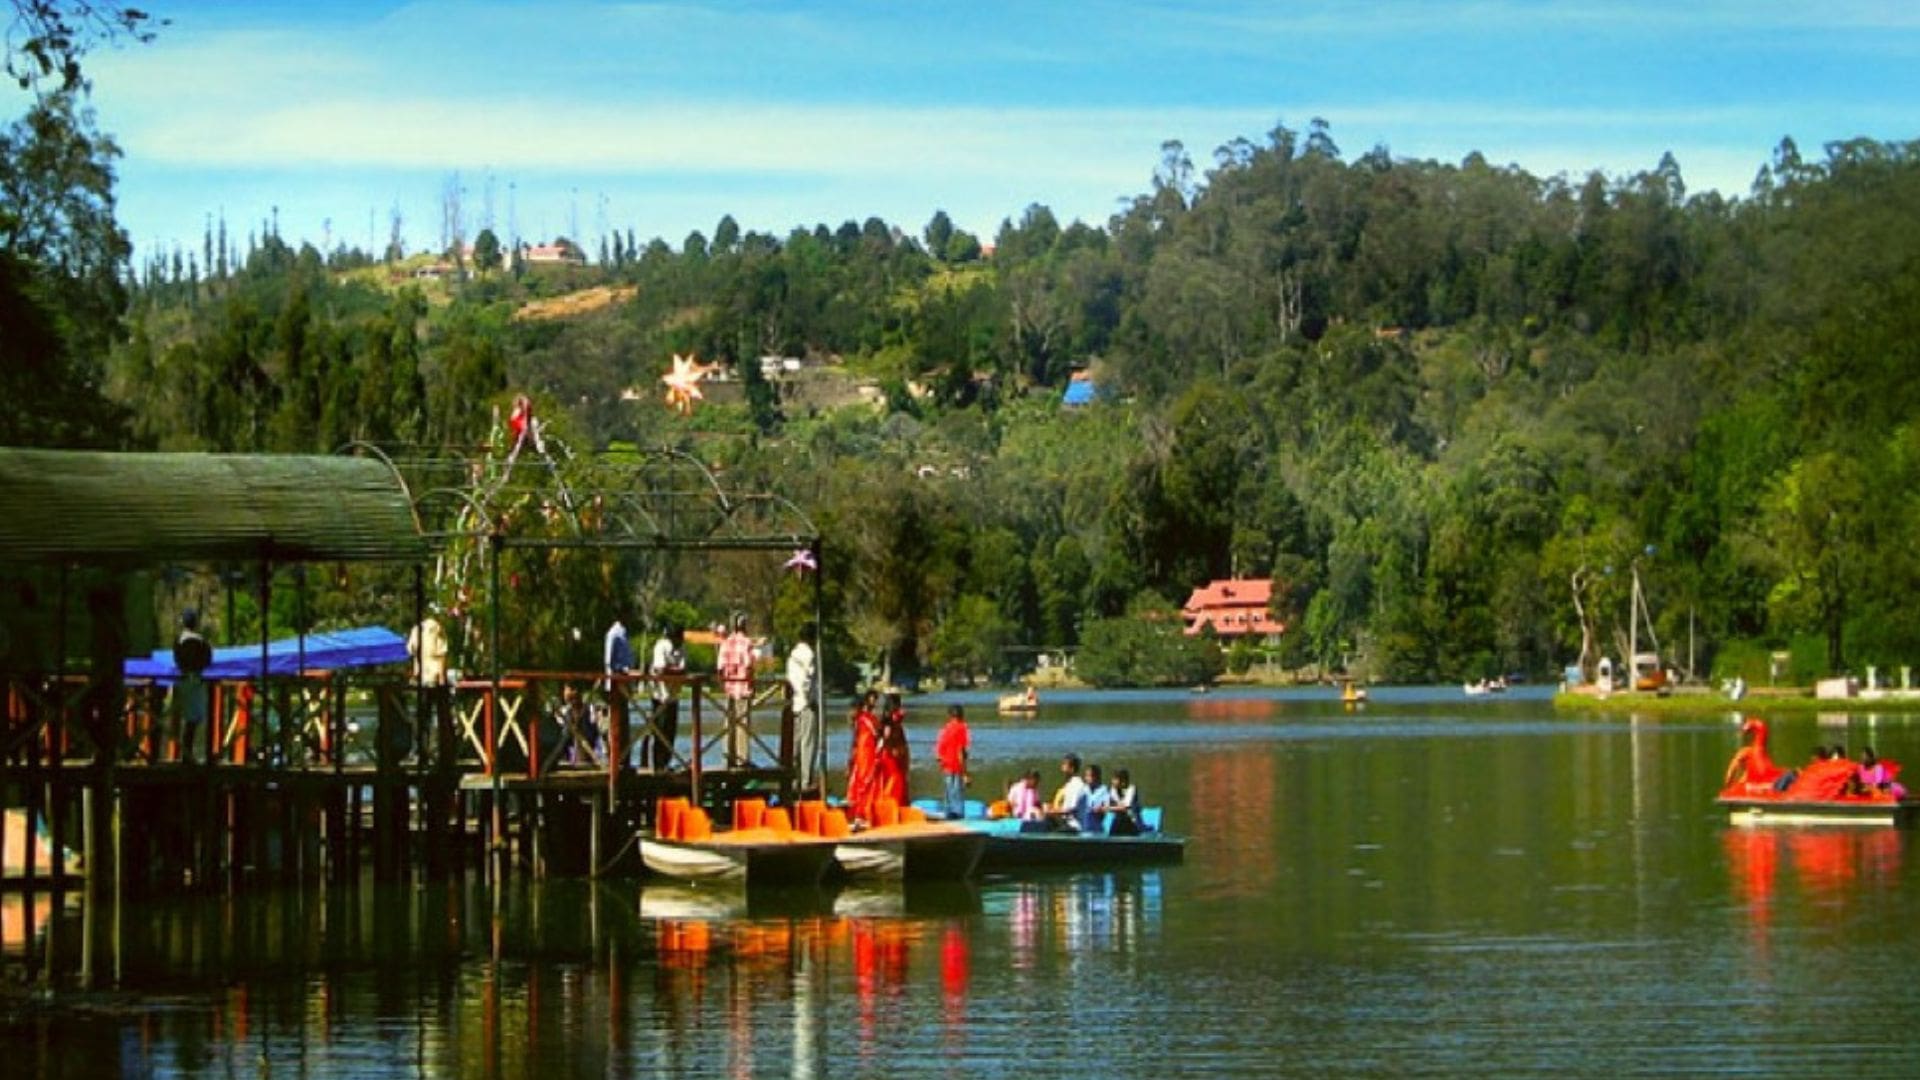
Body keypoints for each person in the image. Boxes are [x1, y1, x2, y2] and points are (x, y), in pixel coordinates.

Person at [407, 608, 452, 766]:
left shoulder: (416, 630)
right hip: (433, 678)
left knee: (421, 717)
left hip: (422, 679)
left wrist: (415, 673)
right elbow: (441, 655)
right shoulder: (437, 628)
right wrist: (442, 679)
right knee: (438, 717)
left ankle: (421, 752)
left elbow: (413, 653)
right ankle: (438, 752)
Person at [171, 609, 212, 763]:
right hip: (197, 680)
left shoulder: (179, 640)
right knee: (194, 718)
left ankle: (185, 753)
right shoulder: (202, 641)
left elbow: (177, 659)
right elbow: (208, 660)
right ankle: (187, 754)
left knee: (183, 717)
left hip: (182, 680)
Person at [644, 621, 685, 771]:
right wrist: (674, 671)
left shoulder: (681, 648)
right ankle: (656, 764)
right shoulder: (661, 646)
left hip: (673, 696)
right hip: (659, 696)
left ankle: (666, 763)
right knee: (659, 730)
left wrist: (672, 671)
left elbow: (683, 669)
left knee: (671, 731)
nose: (679, 641)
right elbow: (661, 670)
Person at [717, 613, 756, 767]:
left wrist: (724, 684)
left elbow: (720, 667)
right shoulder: (746, 643)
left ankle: (727, 757)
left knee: (728, 724)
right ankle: (742, 759)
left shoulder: (725, 642)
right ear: (744, 625)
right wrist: (752, 684)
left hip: (729, 689)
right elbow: (748, 666)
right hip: (743, 688)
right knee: (743, 725)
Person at [786, 624, 819, 793]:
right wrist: (810, 699)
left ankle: (794, 780)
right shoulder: (809, 654)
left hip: (795, 703)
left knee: (795, 744)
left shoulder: (793, 654)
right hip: (806, 704)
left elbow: (792, 679)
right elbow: (808, 679)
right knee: (808, 743)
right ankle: (806, 781)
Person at [845, 690, 882, 826]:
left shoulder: (861, 720)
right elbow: (877, 734)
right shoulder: (866, 719)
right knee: (866, 782)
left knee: (861, 782)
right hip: (866, 754)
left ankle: (859, 811)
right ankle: (863, 811)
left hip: (863, 754)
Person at [1721, 716, 1782, 794]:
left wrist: (1727, 786)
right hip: (1768, 780)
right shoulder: (1760, 757)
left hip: (1763, 782)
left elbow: (1732, 770)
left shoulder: (1747, 752)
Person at [604, 613, 635, 766]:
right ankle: (615, 759)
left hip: (624, 684)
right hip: (615, 683)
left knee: (624, 723)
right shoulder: (614, 634)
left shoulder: (624, 633)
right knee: (616, 722)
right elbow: (609, 661)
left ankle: (624, 759)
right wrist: (623, 671)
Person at [934, 705, 971, 819]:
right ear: (961, 715)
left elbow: (938, 754)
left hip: (946, 765)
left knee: (948, 793)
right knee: (957, 793)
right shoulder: (962, 728)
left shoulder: (945, 729)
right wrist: (965, 773)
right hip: (956, 765)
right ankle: (959, 817)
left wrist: (943, 762)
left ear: (949, 716)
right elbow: (961, 751)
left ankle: (948, 815)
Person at [875, 693, 911, 807]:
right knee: (895, 780)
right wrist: (891, 748)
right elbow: (887, 738)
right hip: (890, 756)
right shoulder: (890, 722)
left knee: (896, 780)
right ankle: (890, 804)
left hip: (892, 755)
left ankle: (895, 803)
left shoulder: (888, 721)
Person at [1049, 752, 1090, 831]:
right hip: (1065, 822)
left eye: (1064, 764)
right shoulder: (1069, 784)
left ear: (1072, 768)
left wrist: (1053, 812)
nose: (1062, 767)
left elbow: (1070, 810)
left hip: (1074, 826)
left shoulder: (1077, 785)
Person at [1102, 767, 1143, 835]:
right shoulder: (1113, 790)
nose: (1112, 781)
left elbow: (1125, 808)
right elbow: (1106, 804)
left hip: (1132, 822)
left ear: (1123, 781)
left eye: (1115, 779)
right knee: (1117, 821)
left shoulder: (1131, 789)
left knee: (1123, 820)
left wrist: (1109, 808)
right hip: (1118, 822)